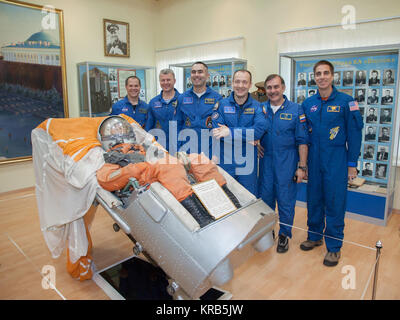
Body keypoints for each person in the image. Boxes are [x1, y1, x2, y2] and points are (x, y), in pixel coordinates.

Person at [96, 115, 241, 228]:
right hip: (143, 180)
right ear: (107, 138)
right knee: (170, 166)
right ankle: (201, 218)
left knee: (199, 160)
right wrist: (137, 168)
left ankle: (230, 205)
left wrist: (180, 158)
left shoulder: (145, 148)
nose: (121, 133)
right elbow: (107, 179)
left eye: (123, 130)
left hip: (163, 170)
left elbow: (165, 157)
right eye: (116, 131)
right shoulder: (112, 159)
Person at [301, 60, 363, 267]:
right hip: (314, 159)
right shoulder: (308, 104)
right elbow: (303, 136)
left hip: (336, 159)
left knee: (335, 203)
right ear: (314, 77)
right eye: (318, 73)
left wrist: (352, 164)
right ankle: (315, 235)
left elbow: (355, 134)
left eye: (325, 73)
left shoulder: (347, 102)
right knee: (314, 199)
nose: (322, 77)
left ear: (332, 76)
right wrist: (304, 163)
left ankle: (334, 247)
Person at [257, 74, 309, 253]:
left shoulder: (296, 109)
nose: (272, 91)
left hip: (287, 161)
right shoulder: (260, 109)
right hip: (266, 162)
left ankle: (284, 235)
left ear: (283, 88)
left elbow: (303, 140)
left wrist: (302, 167)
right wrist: (255, 143)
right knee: (266, 200)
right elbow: (253, 132)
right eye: (269, 88)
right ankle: (268, 231)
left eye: (276, 87)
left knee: (286, 201)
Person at [211, 70, 266, 196]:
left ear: (250, 84)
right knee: (225, 198)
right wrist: (248, 137)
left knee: (248, 198)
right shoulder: (221, 105)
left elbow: (258, 132)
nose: (240, 85)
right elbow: (217, 133)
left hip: (248, 161)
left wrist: (229, 131)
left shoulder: (258, 107)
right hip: (225, 160)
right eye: (237, 81)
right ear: (232, 83)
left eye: (244, 82)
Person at [175, 61, 222, 158]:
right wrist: (178, 150)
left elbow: (221, 128)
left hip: (209, 153)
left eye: (200, 72)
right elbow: (176, 126)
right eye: (193, 72)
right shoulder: (182, 98)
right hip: (187, 152)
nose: (196, 75)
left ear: (207, 75)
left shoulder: (217, 98)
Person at [145, 69, 180, 152]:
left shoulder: (182, 100)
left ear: (174, 81)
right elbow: (149, 128)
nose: (165, 83)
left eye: (168, 80)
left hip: (179, 147)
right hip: (159, 147)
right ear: (159, 82)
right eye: (163, 80)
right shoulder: (153, 102)